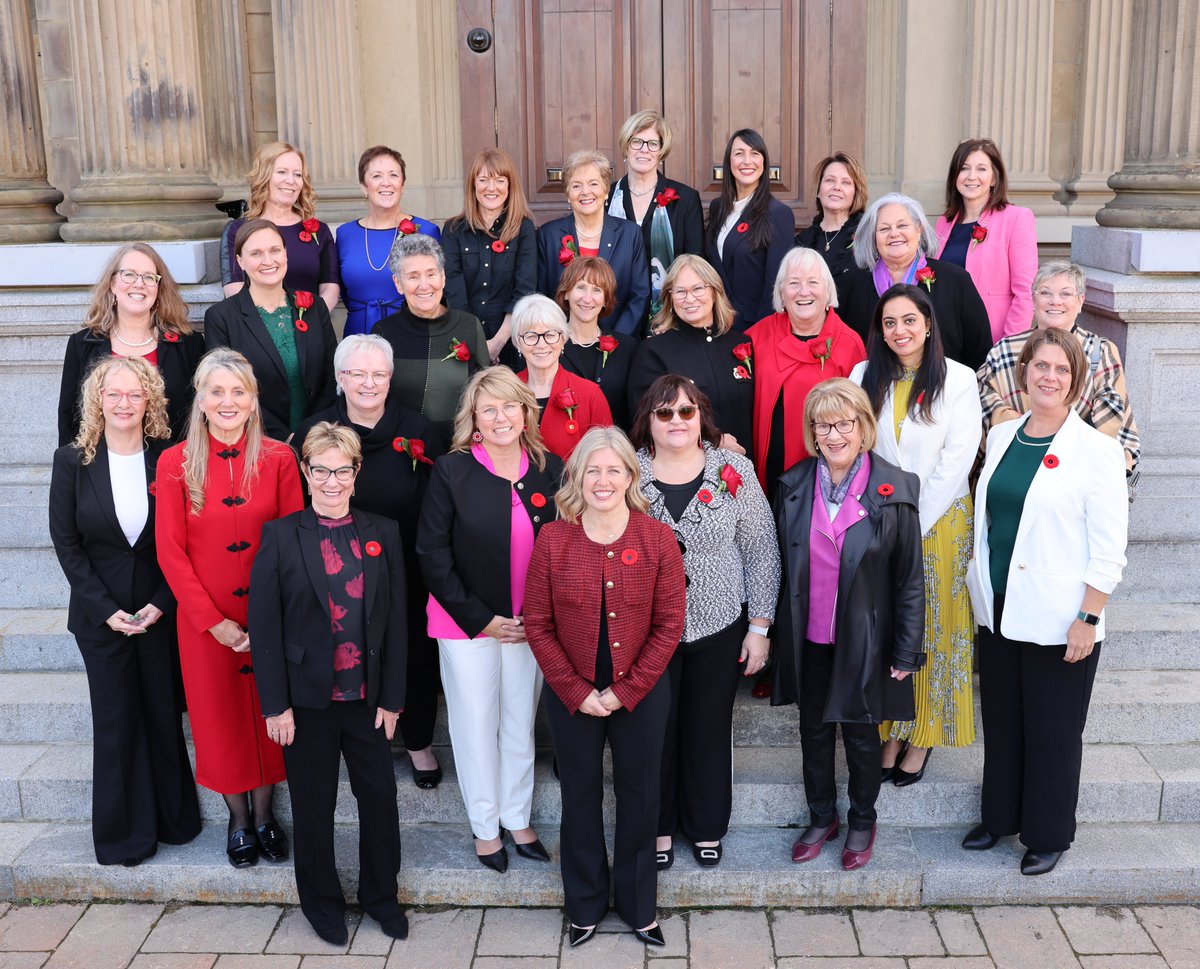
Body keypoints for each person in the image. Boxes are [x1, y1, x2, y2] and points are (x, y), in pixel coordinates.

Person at [963, 327, 1128, 876]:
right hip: (1001, 610)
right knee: (1004, 721)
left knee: (1053, 732)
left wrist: (1088, 616)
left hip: (1062, 619)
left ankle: (1047, 833)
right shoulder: (1005, 435)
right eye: (1040, 366)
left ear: (1075, 380)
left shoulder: (1099, 451)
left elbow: (1110, 550)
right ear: (1024, 372)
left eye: (1061, 369)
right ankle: (999, 817)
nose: (1048, 377)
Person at [249, 422, 410, 945]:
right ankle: (321, 905)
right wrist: (276, 706)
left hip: (367, 700)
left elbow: (397, 622)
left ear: (357, 472)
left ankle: (381, 896)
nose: (332, 481)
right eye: (321, 470)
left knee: (380, 801)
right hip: (307, 701)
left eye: (343, 470)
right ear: (306, 472)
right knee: (314, 807)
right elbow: (266, 627)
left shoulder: (382, 532)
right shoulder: (280, 535)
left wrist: (393, 697)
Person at [524, 426, 685, 948]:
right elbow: (537, 623)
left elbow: (669, 624)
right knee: (580, 795)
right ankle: (586, 904)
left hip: (640, 692)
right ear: (576, 477)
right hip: (573, 693)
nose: (602, 479)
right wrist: (575, 690)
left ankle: (640, 907)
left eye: (613, 469)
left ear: (630, 477)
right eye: (592, 469)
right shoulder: (553, 539)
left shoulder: (656, 538)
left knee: (640, 796)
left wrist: (626, 690)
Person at [49, 356, 201, 866]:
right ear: (97, 400)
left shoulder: (169, 458)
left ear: (150, 401)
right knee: (116, 720)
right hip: (100, 616)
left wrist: (162, 602)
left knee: (162, 712)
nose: (123, 403)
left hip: (160, 609)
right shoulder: (72, 460)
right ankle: (123, 838)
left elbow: (185, 538)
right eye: (113, 394)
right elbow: (66, 543)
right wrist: (106, 609)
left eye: (134, 394)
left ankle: (175, 821)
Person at [155, 348, 304, 868]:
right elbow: (170, 552)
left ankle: (266, 816)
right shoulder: (174, 463)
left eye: (238, 391)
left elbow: (294, 540)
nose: (228, 401)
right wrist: (212, 622)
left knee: (268, 710)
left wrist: (271, 618)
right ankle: (238, 821)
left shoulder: (280, 459)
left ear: (254, 400)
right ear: (199, 400)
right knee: (217, 718)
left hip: (271, 617)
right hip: (204, 624)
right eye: (217, 391)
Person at [772, 379, 925, 871]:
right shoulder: (793, 485)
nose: (834, 434)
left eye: (845, 423)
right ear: (812, 432)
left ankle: (862, 818)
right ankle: (822, 816)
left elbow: (909, 580)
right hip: (810, 636)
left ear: (863, 427)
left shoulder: (895, 490)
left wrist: (906, 651)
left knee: (861, 735)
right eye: (823, 424)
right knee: (813, 730)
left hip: (866, 639)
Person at [416, 367, 564, 872]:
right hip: (466, 625)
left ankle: (518, 817)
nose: (501, 417)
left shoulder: (551, 467)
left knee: (520, 723)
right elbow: (431, 552)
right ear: (474, 419)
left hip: (531, 626)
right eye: (489, 408)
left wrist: (540, 617)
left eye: (510, 406)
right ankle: (485, 828)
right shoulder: (452, 470)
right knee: (475, 725)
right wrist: (483, 619)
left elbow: (566, 549)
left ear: (526, 412)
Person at [630, 376, 779, 870]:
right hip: (647, 629)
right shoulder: (629, 472)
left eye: (686, 412)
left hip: (718, 623)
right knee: (655, 730)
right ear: (648, 421)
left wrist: (759, 628)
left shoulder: (732, 469)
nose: (677, 421)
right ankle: (659, 827)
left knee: (708, 728)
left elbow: (761, 550)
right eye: (665, 413)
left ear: (702, 418)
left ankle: (707, 824)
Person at [293, 334, 444, 789]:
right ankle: (351, 736)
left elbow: (437, 506)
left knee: (412, 652)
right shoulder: (312, 432)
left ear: (391, 377)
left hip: (407, 568)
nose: (368, 383)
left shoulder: (420, 432)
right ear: (340, 378)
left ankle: (417, 740)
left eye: (378, 373)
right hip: (335, 570)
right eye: (357, 373)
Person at [850, 284, 982, 786]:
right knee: (890, 629)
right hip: (880, 518)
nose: (900, 331)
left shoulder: (959, 380)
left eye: (909, 320)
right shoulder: (864, 375)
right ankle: (890, 727)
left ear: (928, 324)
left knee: (934, 627)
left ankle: (923, 733)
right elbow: (859, 445)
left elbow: (957, 460)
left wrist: (915, 521)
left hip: (941, 521)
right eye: (889, 323)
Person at [979, 261, 1141, 478]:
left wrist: (1061, 446)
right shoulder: (1004, 349)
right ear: (1033, 299)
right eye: (1045, 292)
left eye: (1066, 294)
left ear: (1081, 301)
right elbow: (983, 402)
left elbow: (1111, 416)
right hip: (1013, 462)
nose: (1055, 301)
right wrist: (1023, 436)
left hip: (1074, 470)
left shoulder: (1100, 351)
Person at [746, 247, 866, 500]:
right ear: (781, 291)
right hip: (767, 472)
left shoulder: (849, 343)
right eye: (793, 283)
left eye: (813, 282)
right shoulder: (758, 337)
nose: (803, 292)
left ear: (827, 290)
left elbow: (861, 419)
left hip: (827, 472)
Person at [204, 219, 338, 442]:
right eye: (256, 253)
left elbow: (332, 373)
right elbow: (226, 387)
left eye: (275, 250)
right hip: (257, 439)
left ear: (285, 253)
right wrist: (281, 437)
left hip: (317, 439)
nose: (268, 260)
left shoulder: (314, 306)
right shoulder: (221, 317)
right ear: (240, 261)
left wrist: (308, 432)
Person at [58, 243, 205, 444]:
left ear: (158, 287)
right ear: (112, 284)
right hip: (101, 467)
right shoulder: (82, 344)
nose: (139, 284)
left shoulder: (188, 345)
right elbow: (69, 420)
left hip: (172, 468)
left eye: (148, 277)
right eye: (129, 275)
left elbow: (200, 417)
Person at [839, 193, 992, 369]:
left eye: (902, 225)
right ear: (874, 237)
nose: (894, 233)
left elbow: (980, 352)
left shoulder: (956, 281)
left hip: (943, 390)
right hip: (872, 390)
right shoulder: (852, 284)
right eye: (884, 229)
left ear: (918, 230)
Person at [626, 255, 753, 456]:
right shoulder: (653, 352)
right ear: (669, 297)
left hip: (747, 470)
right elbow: (646, 422)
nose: (689, 298)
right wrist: (713, 441)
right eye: (680, 291)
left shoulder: (741, 344)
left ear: (714, 291)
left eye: (698, 288)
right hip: (686, 472)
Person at [372, 233, 488, 449]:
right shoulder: (383, 332)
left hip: (461, 448)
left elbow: (486, 392)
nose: (424, 285)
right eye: (413, 276)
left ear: (443, 277)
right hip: (404, 448)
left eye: (431, 274)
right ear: (398, 283)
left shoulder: (469, 326)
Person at [536, 150, 650, 337]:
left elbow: (640, 296)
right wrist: (559, 337)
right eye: (576, 186)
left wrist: (614, 341)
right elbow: (541, 296)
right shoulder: (548, 235)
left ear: (606, 191)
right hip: (562, 345)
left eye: (593, 184)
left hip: (617, 344)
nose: (585, 192)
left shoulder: (630, 233)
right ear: (567, 194)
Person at [935, 138, 1038, 342]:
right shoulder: (943, 223)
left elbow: (1026, 294)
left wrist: (1009, 347)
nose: (971, 176)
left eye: (981, 169)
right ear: (955, 176)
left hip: (992, 338)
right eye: (964, 169)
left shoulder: (1016, 218)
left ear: (993, 178)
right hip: (946, 336)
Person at [443, 147, 537, 367]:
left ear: (509, 185)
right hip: (462, 341)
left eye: (500, 180)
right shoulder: (453, 230)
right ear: (473, 185)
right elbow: (453, 292)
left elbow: (525, 289)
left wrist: (497, 343)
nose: (491, 188)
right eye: (483, 180)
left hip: (511, 341)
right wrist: (475, 343)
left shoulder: (524, 229)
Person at [606, 110, 705, 317]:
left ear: (662, 151)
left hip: (670, 315)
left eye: (653, 144)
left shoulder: (686, 199)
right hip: (615, 313)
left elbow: (694, 262)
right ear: (626, 146)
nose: (645, 150)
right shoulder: (605, 197)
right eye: (637, 142)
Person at [220, 142, 340, 312]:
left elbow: (330, 288)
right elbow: (234, 288)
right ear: (264, 176)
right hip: (256, 330)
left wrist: (313, 320)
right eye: (282, 172)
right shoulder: (237, 230)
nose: (291, 181)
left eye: (297, 174)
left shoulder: (319, 231)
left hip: (310, 327)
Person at [338, 145, 441, 337]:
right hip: (358, 337)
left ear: (403, 185)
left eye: (393, 175)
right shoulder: (346, 234)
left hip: (411, 333)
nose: (386, 182)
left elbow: (439, 289)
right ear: (363, 186)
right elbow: (342, 290)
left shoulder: (427, 231)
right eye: (376, 176)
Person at [704, 129, 795, 329]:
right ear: (729, 162)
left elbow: (776, 282)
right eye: (739, 153)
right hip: (716, 322)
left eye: (755, 153)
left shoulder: (778, 214)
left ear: (764, 162)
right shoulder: (718, 208)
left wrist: (760, 334)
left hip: (753, 327)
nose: (747, 161)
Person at [513, 294, 612, 460]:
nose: (541, 344)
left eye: (550, 334)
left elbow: (605, 458)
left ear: (563, 339)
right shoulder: (505, 390)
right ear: (518, 342)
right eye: (531, 336)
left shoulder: (590, 394)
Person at [557, 257, 637, 427]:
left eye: (597, 290)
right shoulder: (550, 347)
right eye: (581, 287)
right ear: (565, 293)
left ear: (606, 300)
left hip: (614, 448)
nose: (588, 298)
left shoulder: (627, 348)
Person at [794, 152, 869, 308]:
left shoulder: (868, 236)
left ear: (856, 193)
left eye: (846, 183)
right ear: (819, 190)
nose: (837, 187)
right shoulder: (802, 241)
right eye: (830, 180)